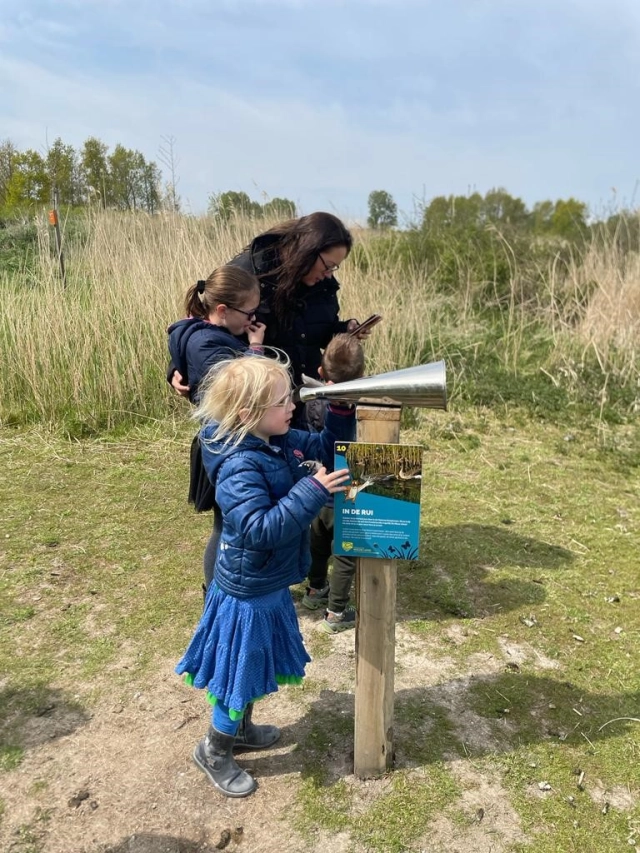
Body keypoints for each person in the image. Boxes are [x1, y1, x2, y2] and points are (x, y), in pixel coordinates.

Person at [175, 355, 355, 798]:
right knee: (239, 671)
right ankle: (214, 749)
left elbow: (327, 446)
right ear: (247, 414)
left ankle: (241, 728)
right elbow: (258, 530)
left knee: (252, 664)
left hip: (268, 582)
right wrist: (312, 490)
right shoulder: (239, 464)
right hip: (247, 590)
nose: (292, 404)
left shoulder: (274, 438)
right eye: (282, 401)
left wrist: (340, 410)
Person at [170, 212, 370, 427]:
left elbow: (318, 331)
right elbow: (207, 321)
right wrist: (175, 367)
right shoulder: (250, 272)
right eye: (328, 265)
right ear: (308, 251)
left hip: (304, 398)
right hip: (257, 406)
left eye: (335, 268)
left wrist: (342, 331)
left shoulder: (325, 285)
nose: (330, 274)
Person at [167, 266, 266, 592]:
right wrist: (255, 347)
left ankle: (227, 585)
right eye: (249, 312)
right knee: (225, 524)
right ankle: (215, 592)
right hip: (225, 443)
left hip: (226, 439)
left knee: (229, 521)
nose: (253, 319)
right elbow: (241, 389)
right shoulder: (207, 345)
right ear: (222, 310)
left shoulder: (202, 332)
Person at [301, 334, 365, 633]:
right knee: (345, 553)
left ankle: (314, 591)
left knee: (318, 545)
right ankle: (336, 613)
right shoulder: (347, 409)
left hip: (317, 488)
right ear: (362, 375)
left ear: (321, 372)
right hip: (345, 493)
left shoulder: (313, 401)